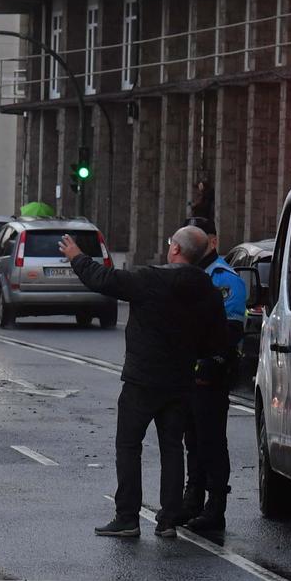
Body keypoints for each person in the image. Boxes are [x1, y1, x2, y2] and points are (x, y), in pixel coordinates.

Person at [60, 226, 219, 538]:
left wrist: (77, 257)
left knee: (129, 445)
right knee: (172, 448)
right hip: (180, 381)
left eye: (170, 241)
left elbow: (103, 280)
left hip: (142, 380)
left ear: (175, 249)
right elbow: (216, 339)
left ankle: (127, 516)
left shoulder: (150, 279)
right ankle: (169, 519)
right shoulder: (207, 289)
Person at [180, 217, 247, 535]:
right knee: (191, 440)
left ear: (212, 242)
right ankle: (191, 499)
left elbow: (229, 331)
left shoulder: (223, 278)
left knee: (211, 440)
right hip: (185, 372)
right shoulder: (184, 274)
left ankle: (215, 505)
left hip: (211, 372)